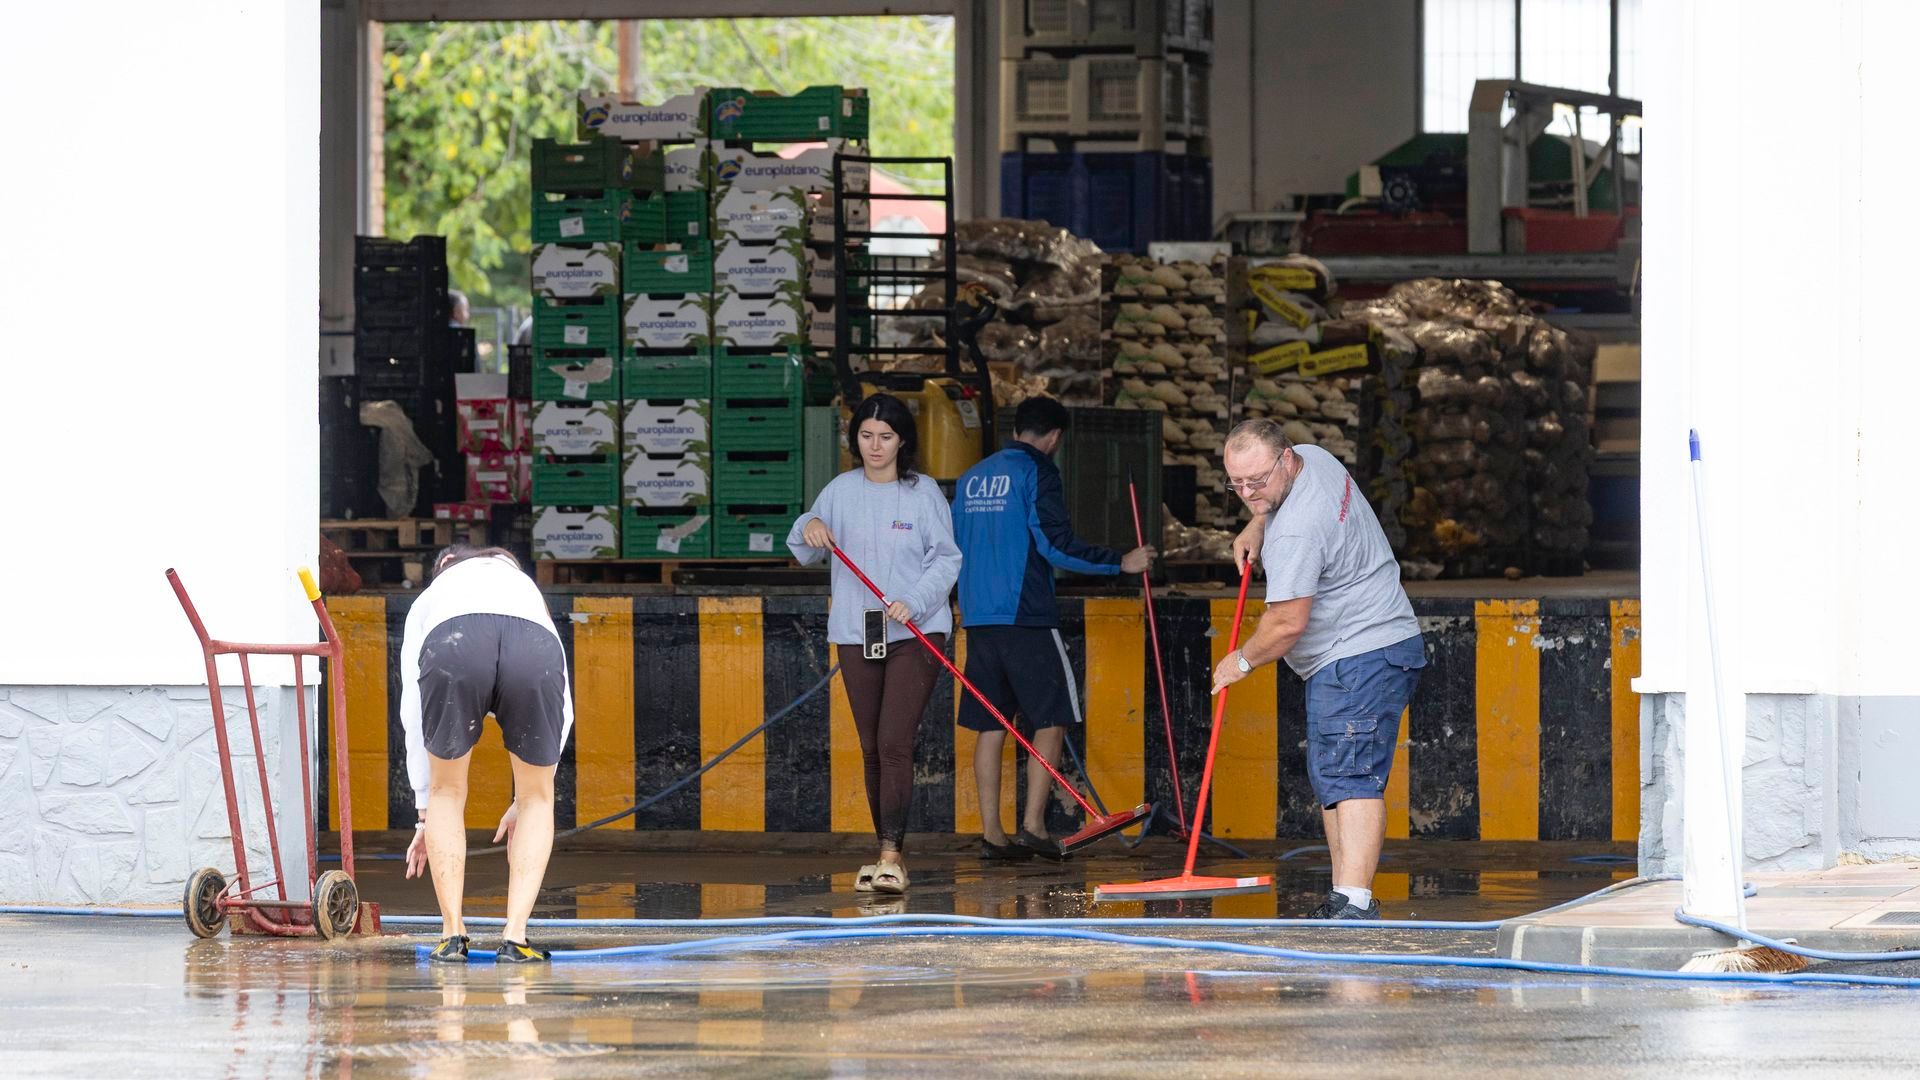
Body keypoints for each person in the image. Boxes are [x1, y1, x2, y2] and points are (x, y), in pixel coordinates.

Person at [1208, 419, 1426, 920]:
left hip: (1359, 654)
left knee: (1352, 777)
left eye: (1256, 482)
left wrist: (1240, 660)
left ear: (1284, 460)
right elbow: (1274, 500)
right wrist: (1258, 521)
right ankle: (1343, 896)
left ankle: (1354, 902)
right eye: (1236, 484)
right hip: (1368, 646)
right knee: (1335, 777)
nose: (1246, 492)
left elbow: (1286, 623)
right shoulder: (1313, 457)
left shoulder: (1299, 532)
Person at [950, 396, 1154, 859]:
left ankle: (992, 835)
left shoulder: (971, 477)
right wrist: (1119, 562)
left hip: (979, 616)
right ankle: (1034, 826)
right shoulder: (1038, 471)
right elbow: (1054, 544)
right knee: (1053, 718)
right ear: (1055, 437)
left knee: (992, 724)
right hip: (1026, 614)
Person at [788, 394, 961, 895]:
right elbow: (800, 545)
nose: (875, 446)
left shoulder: (923, 492)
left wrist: (916, 599)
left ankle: (891, 857)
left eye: (886, 436)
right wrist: (809, 523)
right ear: (855, 438)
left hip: (916, 629)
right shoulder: (840, 490)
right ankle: (882, 851)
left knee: (892, 741)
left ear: (903, 440)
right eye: (867, 435)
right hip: (856, 629)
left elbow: (946, 560)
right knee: (869, 747)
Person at [400, 545, 572, 962]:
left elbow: (413, 708)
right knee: (537, 800)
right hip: (533, 645)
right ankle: (515, 938)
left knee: (447, 793)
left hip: (454, 641)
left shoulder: (431, 597)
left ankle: (451, 935)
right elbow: (563, 705)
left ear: (444, 568)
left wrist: (424, 809)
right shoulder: (526, 589)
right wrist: (529, 794)